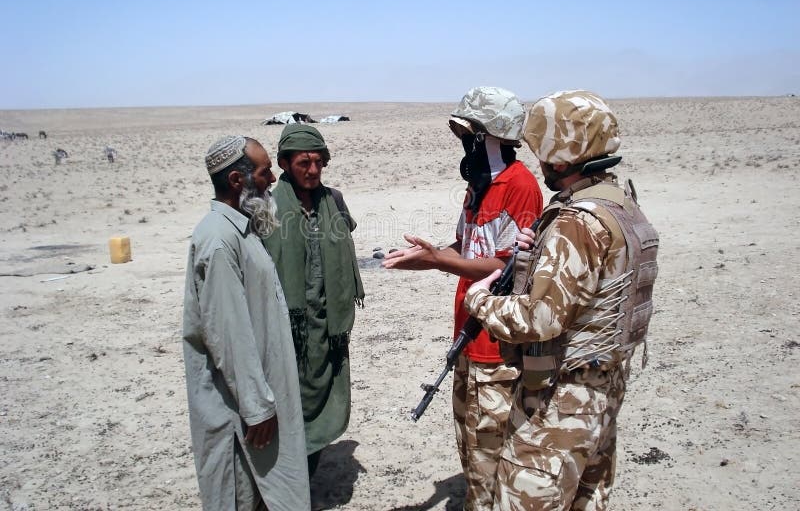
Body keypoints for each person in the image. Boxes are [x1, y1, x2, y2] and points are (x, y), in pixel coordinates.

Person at [464, 90, 660, 510]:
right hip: (604, 392)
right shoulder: (620, 206)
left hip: (560, 400)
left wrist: (479, 301)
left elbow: (539, 318)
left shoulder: (577, 221)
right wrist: (532, 258)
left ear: (560, 154)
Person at [382, 86, 543, 511]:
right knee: (472, 453)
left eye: (467, 135)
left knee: (493, 460)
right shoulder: (479, 185)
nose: (463, 144)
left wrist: (439, 261)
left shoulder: (520, 186)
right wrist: (424, 258)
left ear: (490, 136)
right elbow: (464, 248)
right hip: (467, 342)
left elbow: (506, 268)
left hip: (498, 349)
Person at [183, 135, 310, 511]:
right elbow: (228, 333)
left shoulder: (242, 229)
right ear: (238, 181)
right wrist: (256, 407)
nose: (272, 178)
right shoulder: (220, 241)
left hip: (257, 395)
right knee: (241, 493)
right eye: (263, 170)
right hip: (239, 410)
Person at [261, 124, 364, 477]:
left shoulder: (332, 201)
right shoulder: (266, 208)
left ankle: (306, 475)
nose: (313, 170)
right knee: (287, 404)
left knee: (323, 397)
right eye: (304, 162)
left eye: (319, 162)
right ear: (285, 164)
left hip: (328, 327)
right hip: (287, 330)